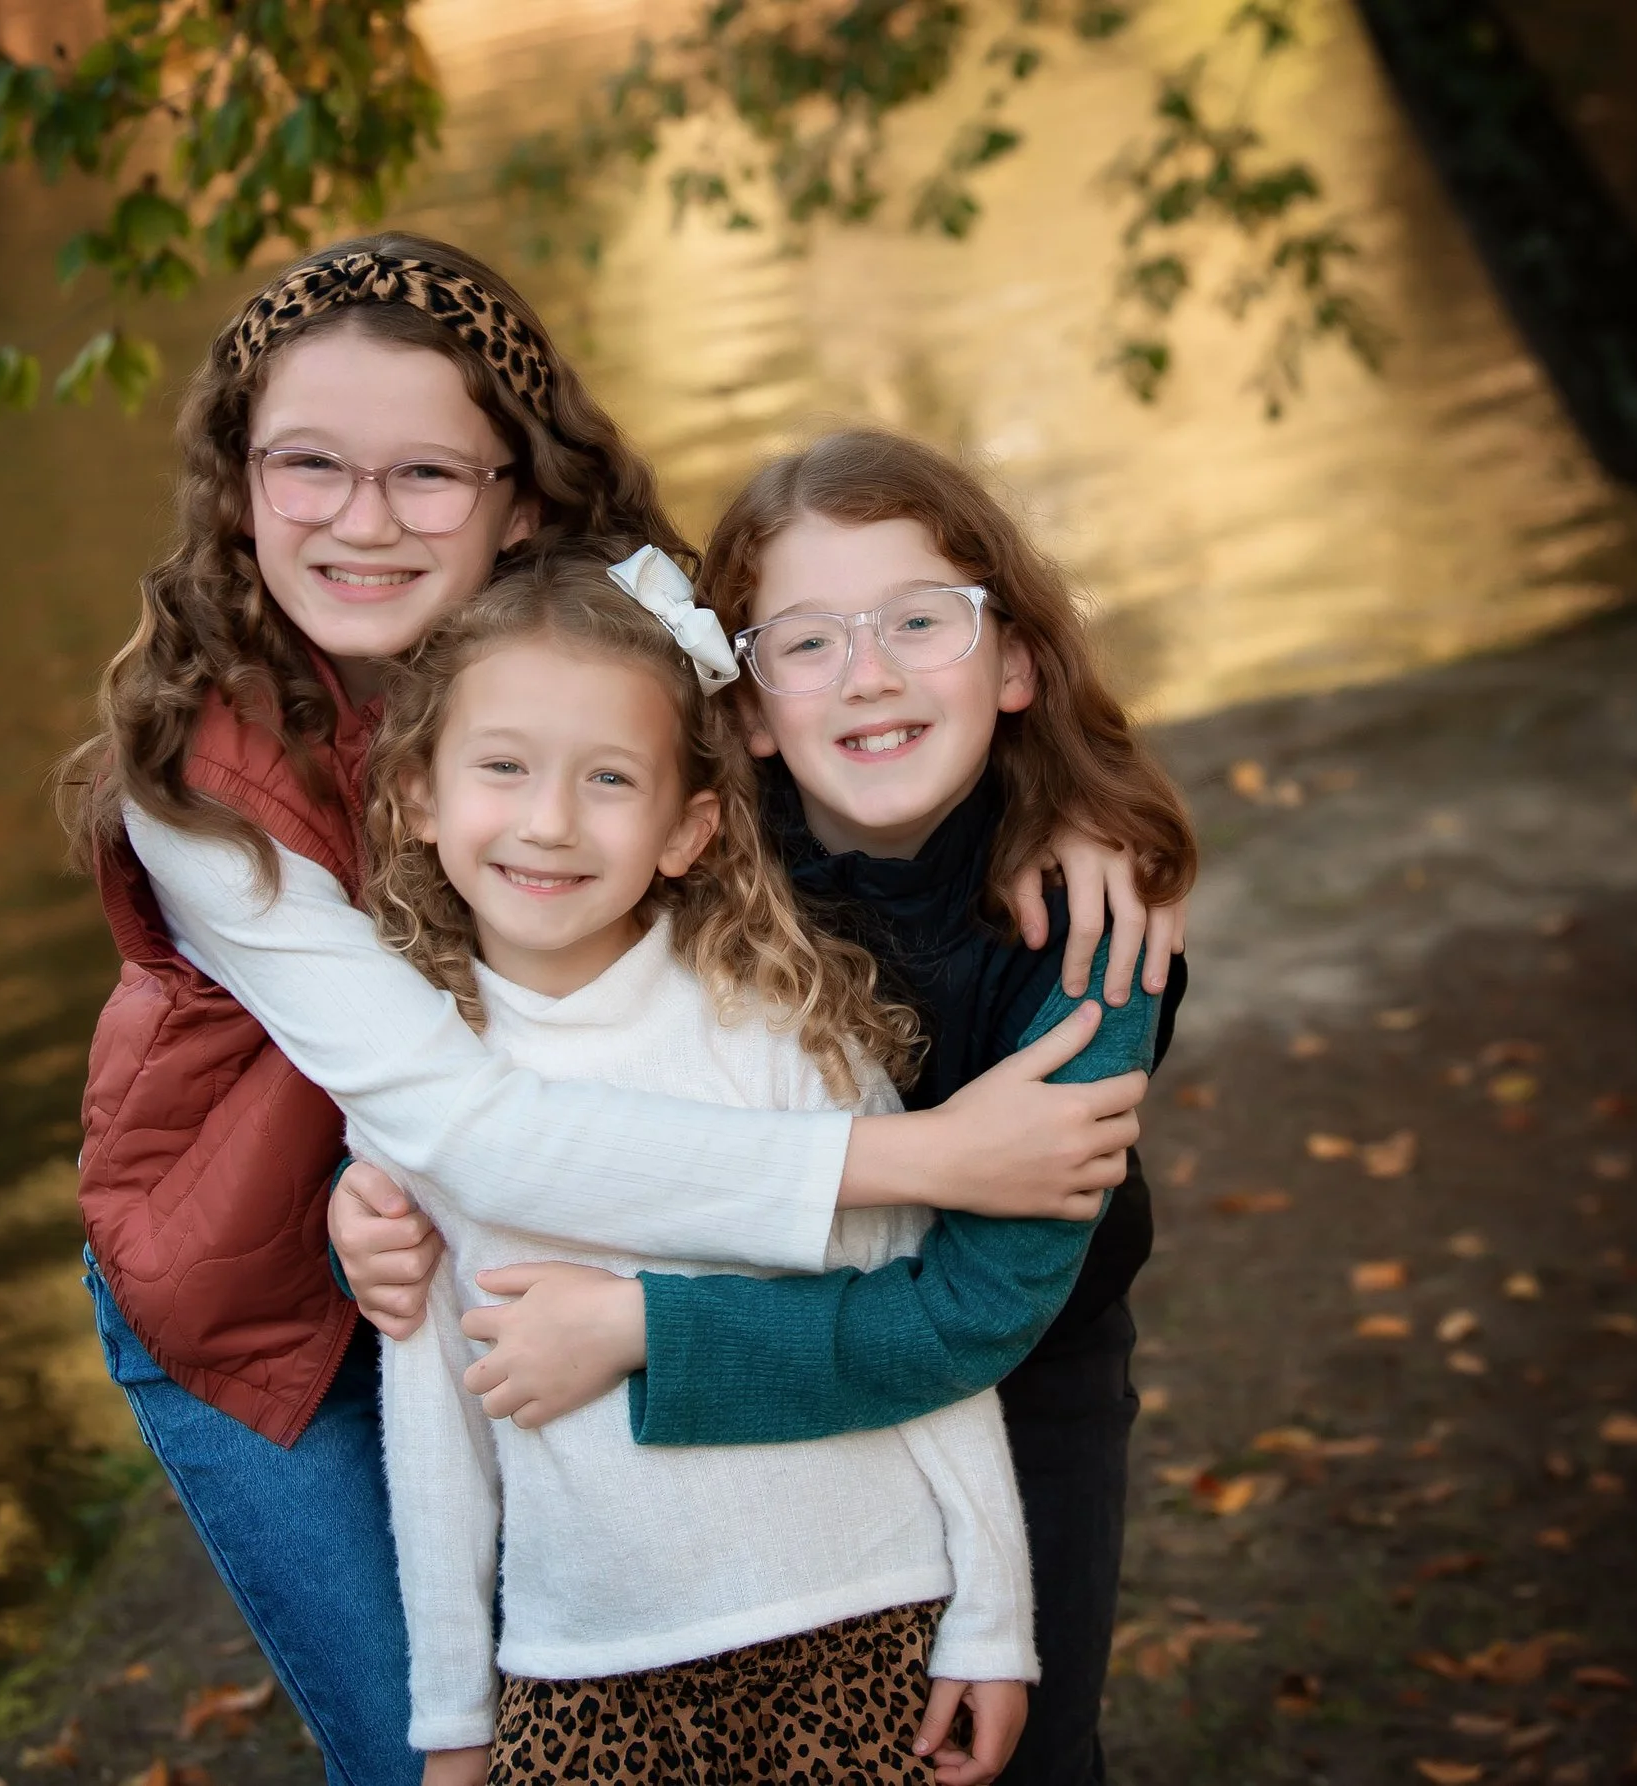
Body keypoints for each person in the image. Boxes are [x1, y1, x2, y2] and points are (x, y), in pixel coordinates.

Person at [65, 234, 1168, 1786]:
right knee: (425, 1743)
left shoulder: (621, 657)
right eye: (306, 463)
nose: (362, 520)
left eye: (426, 475)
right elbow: (464, 1126)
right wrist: (916, 1160)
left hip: (538, 1226)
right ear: (240, 480)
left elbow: (834, 729)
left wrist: (1062, 809)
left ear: (516, 495)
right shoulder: (201, 780)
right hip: (269, 1263)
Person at [335, 429, 1198, 1784]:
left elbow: (963, 1317)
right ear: (744, 706)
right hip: (721, 1481)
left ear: (1017, 659)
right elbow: (553, 1056)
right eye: (806, 640)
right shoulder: (709, 859)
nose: (868, 672)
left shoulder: (1091, 947)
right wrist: (388, 1178)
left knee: (1024, 1754)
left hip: (1018, 1362)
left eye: (924, 621)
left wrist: (636, 1330)